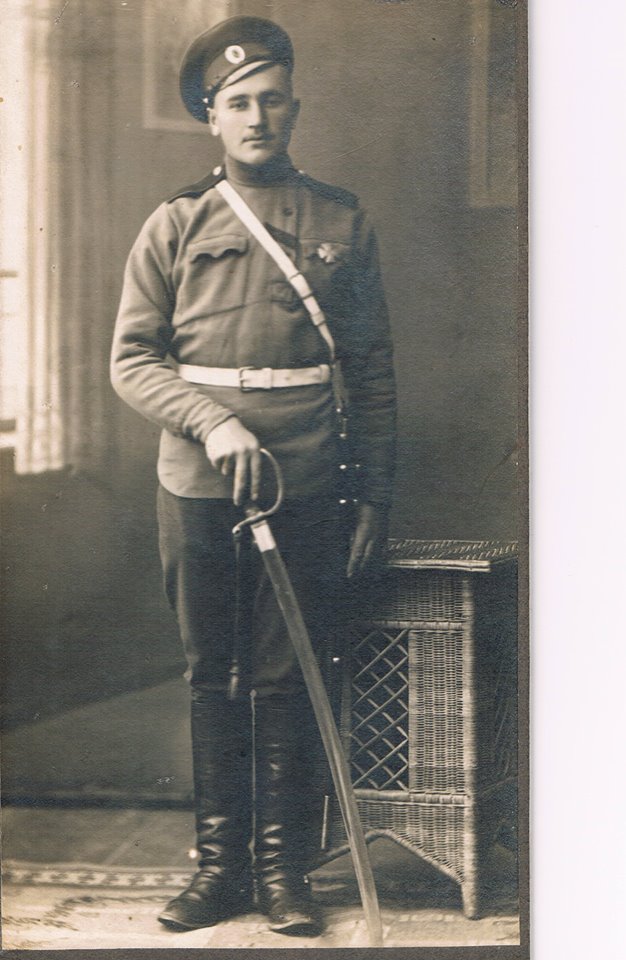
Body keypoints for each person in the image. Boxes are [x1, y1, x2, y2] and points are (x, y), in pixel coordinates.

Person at [110, 15, 396, 937]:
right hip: (199, 480)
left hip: (309, 475)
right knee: (213, 673)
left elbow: (372, 371)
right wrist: (212, 420)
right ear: (213, 116)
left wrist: (373, 491)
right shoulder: (177, 222)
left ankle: (282, 875)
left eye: (273, 100)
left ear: (295, 109)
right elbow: (131, 361)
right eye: (239, 103)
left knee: (287, 674)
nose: (258, 117)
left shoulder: (342, 220)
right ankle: (218, 871)